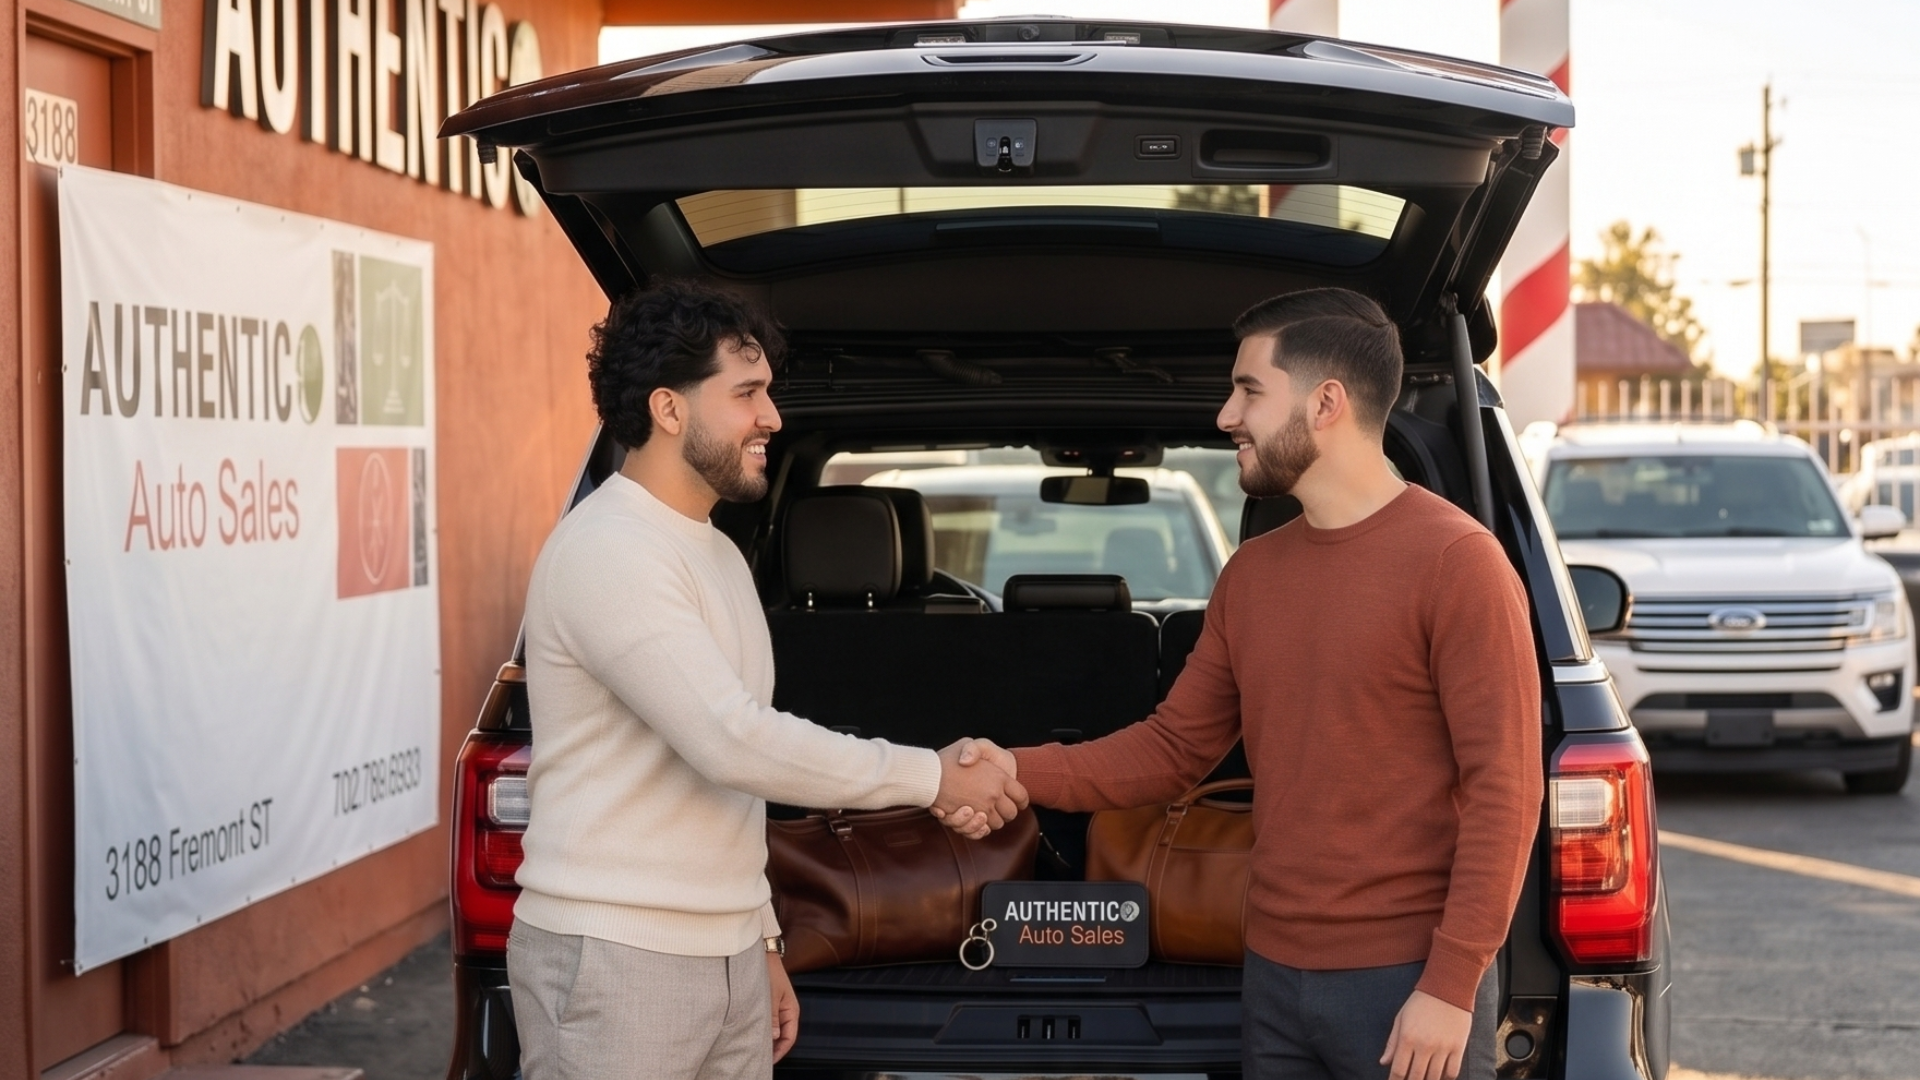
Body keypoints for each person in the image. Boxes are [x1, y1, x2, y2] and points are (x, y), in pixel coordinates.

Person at [952, 287, 1542, 1080]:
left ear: (1325, 402)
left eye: (1249, 390)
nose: (1227, 416)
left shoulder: (1458, 565)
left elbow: (1506, 788)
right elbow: (1170, 751)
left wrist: (1451, 982)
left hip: (1406, 984)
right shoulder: (1254, 575)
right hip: (1270, 974)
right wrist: (1013, 768)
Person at [509, 280, 1028, 1080]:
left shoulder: (713, 549)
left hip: (722, 955)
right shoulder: (609, 549)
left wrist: (759, 941)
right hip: (618, 959)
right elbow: (730, 742)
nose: (773, 419)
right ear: (669, 409)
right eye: (747, 393)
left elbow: (732, 788)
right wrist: (931, 777)